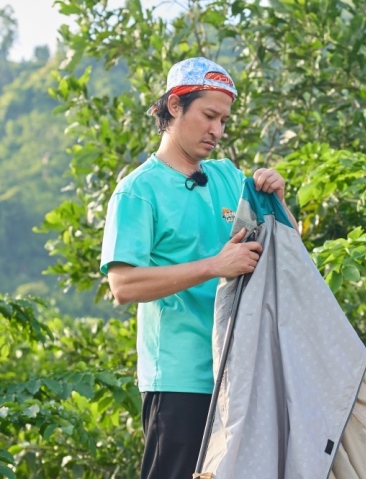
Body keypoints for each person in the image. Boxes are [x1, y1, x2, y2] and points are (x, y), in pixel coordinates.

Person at [100, 57, 297, 479]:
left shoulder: (228, 176)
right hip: (180, 379)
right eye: (209, 116)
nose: (217, 131)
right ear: (175, 106)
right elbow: (122, 285)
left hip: (243, 372)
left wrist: (278, 201)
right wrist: (213, 266)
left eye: (224, 120)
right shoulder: (138, 190)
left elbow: (285, 253)